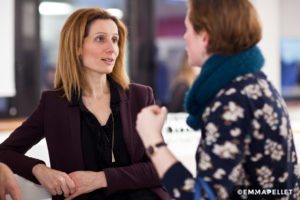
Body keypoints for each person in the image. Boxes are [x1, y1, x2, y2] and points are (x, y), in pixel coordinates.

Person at [136, 0, 300, 199]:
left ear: (204, 38)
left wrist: (153, 140)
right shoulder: (256, 85)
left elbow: (203, 196)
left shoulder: (232, 101)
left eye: (188, 30)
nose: (184, 37)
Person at [0, 8, 170, 200]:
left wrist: (102, 178)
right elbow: (5, 151)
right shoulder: (54, 104)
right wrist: (39, 170)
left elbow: (159, 166)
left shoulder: (140, 96)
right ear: (76, 47)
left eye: (115, 40)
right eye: (100, 39)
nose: (112, 48)